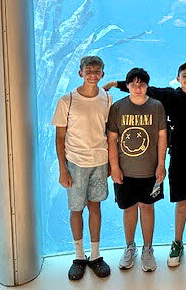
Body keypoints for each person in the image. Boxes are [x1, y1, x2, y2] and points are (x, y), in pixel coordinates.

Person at [103, 62, 186, 267]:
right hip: (179, 157)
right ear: (178, 78)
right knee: (181, 202)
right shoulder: (171, 96)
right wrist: (114, 83)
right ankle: (177, 243)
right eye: (184, 76)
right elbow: (144, 87)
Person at [51, 55, 112, 280]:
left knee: (95, 208)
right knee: (76, 209)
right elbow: (59, 138)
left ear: (102, 74)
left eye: (97, 71)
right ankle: (78, 256)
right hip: (75, 163)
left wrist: (110, 165)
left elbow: (108, 132)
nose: (93, 74)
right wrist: (62, 169)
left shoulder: (107, 99)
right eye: (89, 70)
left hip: (99, 161)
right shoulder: (66, 100)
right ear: (80, 72)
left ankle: (95, 256)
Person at [107, 68, 167, 272]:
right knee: (129, 208)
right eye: (134, 84)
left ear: (147, 85)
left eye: (142, 84)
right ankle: (129, 247)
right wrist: (114, 167)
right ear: (128, 86)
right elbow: (112, 139)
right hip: (125, 170)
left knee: (147, 207)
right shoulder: (117, 107)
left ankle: (148, 249)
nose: (138, 88)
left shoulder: (157, 106)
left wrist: (161, 164)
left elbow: (161, 137)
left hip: (150, 170)